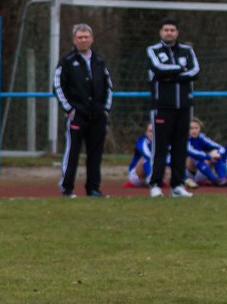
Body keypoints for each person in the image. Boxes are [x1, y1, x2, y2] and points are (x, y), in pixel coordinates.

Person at [53, 23, 113, 198]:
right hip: (77, 116)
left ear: (92, 39)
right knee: (72, 153)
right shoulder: (67, 61)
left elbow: (109, 86)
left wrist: (105, 109)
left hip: (98, 115)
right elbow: (58, 86)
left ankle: (93, 189)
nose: (84, 40)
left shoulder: (100, 61)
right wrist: (70, 109)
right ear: (74, 40)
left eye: (86, 37)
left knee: (95, 155)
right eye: (80, 37)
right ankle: (67, 188)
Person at [147, 18, 200, 198]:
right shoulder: (153, 50)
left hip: (184, 107)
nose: (169, 32)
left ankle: (177, 185)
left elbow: (195, 72)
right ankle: (155, 184)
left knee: (180, 147)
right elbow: (158, 69)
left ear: (177, 32)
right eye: (166, 30)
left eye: (172, 30)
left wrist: (172, 75)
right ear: (161, 32)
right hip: (162, 107)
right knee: (160, 147)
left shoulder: (187, 50)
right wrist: (180, 69)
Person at [186, 118, 227, 186]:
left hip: (201, 171)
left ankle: (222, 179)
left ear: (199, 129)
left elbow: (220, 147)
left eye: (196, 128)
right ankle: (215, 180)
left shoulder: (202, 138)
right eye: (191, 128)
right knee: (194, 157)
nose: (194, 131)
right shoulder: (184, 139)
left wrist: (218, 154)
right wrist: (209, 156)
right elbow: (191, 152)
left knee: (215, 153)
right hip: (188, 174)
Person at [126, 122, 153, 188]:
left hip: (152, 171)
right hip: (136, 175)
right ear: (146, 133)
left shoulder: (162, 142)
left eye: (154, 131)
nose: (152, 134)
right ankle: (151, 178)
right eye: (150, 131)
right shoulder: (142, 140)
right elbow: (146, 154)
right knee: (145, 159)